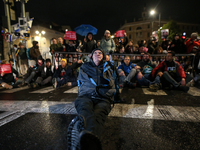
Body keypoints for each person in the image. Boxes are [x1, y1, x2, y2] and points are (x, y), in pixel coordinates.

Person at [67, 48, 118, 150]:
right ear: (91, 56)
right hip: (87, 95)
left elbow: (115, 83)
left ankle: (82, 137)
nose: (98, 54)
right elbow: (80, 81)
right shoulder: (84, 67)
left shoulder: (109, 67)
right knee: (85, 110)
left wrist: (116, 97)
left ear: (103, 56)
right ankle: (89, 142)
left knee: (99, 114)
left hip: (103, 97)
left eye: (100, 53)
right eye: (95, 53)